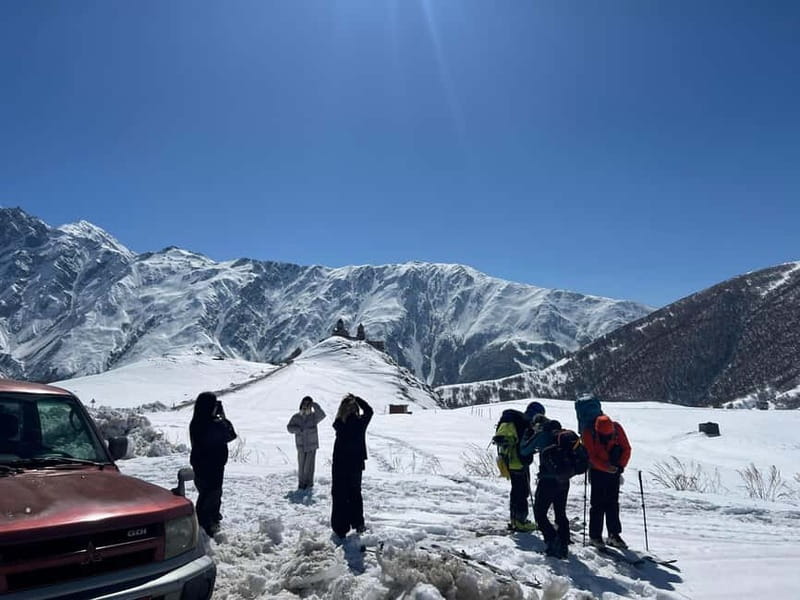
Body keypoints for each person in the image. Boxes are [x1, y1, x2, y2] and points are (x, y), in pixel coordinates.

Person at [521, 415, 572, 558]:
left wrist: (527, 435)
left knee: (540, 513)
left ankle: (553, 542)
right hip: (564, 479)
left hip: (547, 480)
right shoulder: (564, 434)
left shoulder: (542, 435)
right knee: (560, 511)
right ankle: (564, 540)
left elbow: (524, 450)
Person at [190, 391, 237, 537]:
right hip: (209, 467)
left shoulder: (198, 421)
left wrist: (220, 418)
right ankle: (205, 527)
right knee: (210, 496)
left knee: (210, 495)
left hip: (207, 466)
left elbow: (229, 435)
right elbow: (230, 435)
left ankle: (209, 523)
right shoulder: (207, 424)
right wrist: (222, 418)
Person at [493, 401, 546, 532]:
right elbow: (528, 445)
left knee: (516, 490)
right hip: (519, 462)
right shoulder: (527, 423)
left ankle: (514, 519)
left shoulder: (515, 420)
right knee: (522, 491)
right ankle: (521, 521)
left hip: (507, 461)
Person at [582, 414, 632, 549]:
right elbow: (590, 456)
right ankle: (595, 536)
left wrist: (620, 466)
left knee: (612, 504)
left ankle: (613, 534)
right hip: (598, 471)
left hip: (614, 469)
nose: (608, 438)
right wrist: (606, 468)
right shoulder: (588, 433)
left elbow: (627, 448)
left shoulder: (616, 428)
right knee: (597, 504)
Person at [330, 393, 373, 540]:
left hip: (340, 464)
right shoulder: (360, 423)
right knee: (355, 493)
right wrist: (358, 399)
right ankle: (358, 523)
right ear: (355, 409)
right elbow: (369, 411)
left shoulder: (339, 424)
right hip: (355, 464)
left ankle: (340, 527)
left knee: (339, 494)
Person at [286, 396, 326, 490]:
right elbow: (289, 428)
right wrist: (297, 430)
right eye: (304, 403)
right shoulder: (296, 417)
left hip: (312, 445)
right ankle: (301, 484)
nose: (305, 406)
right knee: (302, 466)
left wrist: (314, 404)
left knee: (309, 466)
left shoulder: (313, 417)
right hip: (301, 445)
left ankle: (309, 484)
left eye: (307, 404)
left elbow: (322, 415)